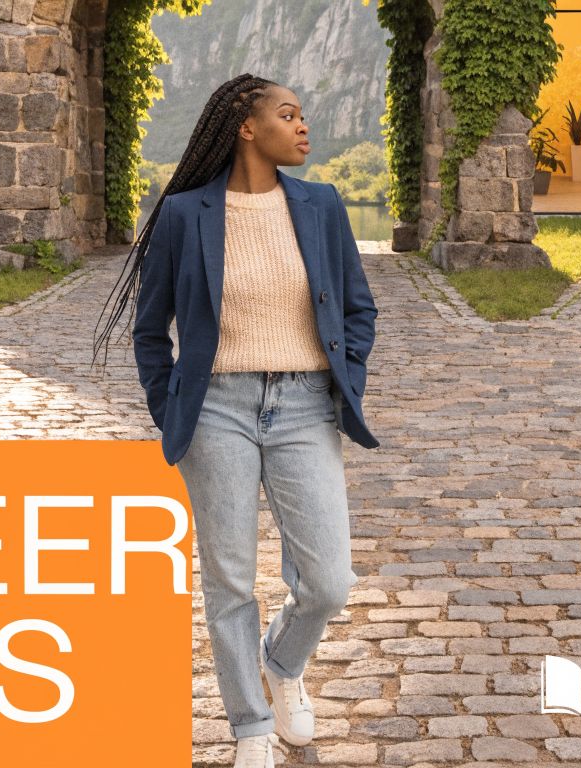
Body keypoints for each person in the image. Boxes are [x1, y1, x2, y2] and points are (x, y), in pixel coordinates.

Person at [101, 73, 377, 768]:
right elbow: (149, 329)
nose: (304, 125)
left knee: (328, 581)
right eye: (290, 114)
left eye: (305, 114)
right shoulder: (183, 214)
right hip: (215, 410)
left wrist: (346, 379)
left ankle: (281, 664)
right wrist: (172, 407)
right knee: (228, 580)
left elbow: (357, 309)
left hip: (306, 405)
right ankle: (251, 726)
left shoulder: (322, 205)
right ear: (248, 129)